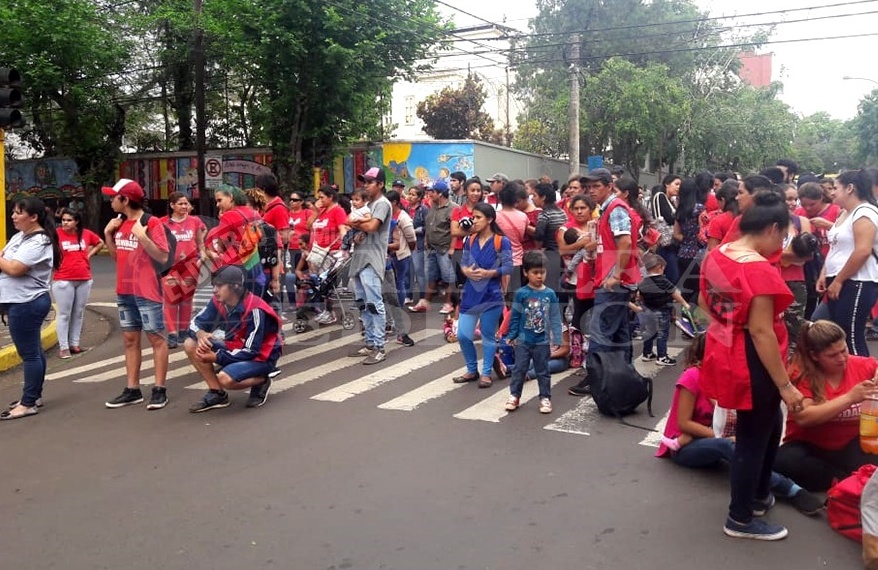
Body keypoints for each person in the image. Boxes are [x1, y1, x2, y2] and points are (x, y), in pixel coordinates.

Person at [699, 190, 805, 540]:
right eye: (784, 233)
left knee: (767, 424)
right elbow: (762, 332)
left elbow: (704, 301)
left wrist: (730, 322)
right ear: (773, 228)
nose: (784, 241)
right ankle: (740, 518)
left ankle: (758, 495)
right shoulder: (758, 269)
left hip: (727, 345)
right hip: (751, 356)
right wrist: (785, 385)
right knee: (752, 435)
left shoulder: (717, 255)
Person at [656, 334, 825, 517]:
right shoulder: (692, 376)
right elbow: (684, 424)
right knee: (730, 445)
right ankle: (791, 490)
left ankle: (762, 487)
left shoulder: (726, 379)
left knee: (755, 438)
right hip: (684, 446)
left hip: (714, 440)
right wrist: (723, 437)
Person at [774, 320, 878, 491]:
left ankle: (846, 480)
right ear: (814, 355)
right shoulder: (800, 374)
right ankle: (851, 480)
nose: (842, 358)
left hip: (850, 444)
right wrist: (850, 398)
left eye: (843, 350)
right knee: (785, 462)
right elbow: (804, 417)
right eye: (832, 355)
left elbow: (875, 366)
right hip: (810, 446)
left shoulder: (860, 365)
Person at [102, 179, 172, 410]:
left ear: (126, 199)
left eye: (114, 197)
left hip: (147, 291)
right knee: (130, 340)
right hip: (125, 291)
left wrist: (142, 236)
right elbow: (117, 257)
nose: (111, 200)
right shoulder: (119, 223)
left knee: (156, 339)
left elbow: (163, 256)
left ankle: (159, 389)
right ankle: (132, 389)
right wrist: (108, 235)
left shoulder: (150, 223)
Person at [569, 168, 639, 397]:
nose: (591, 191)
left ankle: (596, 378)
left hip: (614, 282)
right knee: (619, 332)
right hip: (612, 280)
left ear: (609, 186)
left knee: (600, 331)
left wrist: (617, 274)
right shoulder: (606, 209)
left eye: (596, 186)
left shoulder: (616, 209)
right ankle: (625, 375)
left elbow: (626, 243)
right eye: (588, 187)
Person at [185, 265, 282, 412]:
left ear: (235, 287)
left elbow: (251, 351)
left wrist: (216, 357)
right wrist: (201, 334)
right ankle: (216, 393)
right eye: (214, 285)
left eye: (219, 285)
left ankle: (262, 380)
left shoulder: (255, 309)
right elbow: (194, 323)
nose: (214, 290)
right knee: (190, 343)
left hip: (261, 357)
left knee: (225, 378)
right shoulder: (218, 301)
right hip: (236, 347)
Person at [0, 198, 61, 420]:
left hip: (27, 303)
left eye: (18, 213)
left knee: (30, 354)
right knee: (33, 351)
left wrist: (4, 262)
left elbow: (15, 268)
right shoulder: (20, 236)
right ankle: (33, 396)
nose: (13, 217)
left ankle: (27, 403)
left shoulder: (39, 241)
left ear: (33, 217)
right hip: (19, 301)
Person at [813, 169, 878, 356]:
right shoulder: (845, 213)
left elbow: (863, 251)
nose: (831, 192)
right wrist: (825, 273)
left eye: (835, 188)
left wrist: (839, 280)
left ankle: (866, 381)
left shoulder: (865, 212)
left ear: (850, 188)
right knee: (826, 327)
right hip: (839, 280)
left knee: (851, 337)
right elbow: (836, 248)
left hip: (857, 281)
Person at [453, 203, 513, 388]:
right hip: (471, 293)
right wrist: (466, 272)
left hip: (491, 294)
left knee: (488, 335)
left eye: (478, 217)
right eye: (473, 217)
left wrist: (489, 273)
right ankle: (472, 369)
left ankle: (486, 373)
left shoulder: (501, 241)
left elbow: (509, 266)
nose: (474, 221)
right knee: (463, 335)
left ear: (489, 219)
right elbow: (463, 263)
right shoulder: (469, 240)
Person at [504, 250, 563, 414]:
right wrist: (511, 335)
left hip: (542, 341)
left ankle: (545, 398)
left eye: (542, 272)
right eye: (535, 272)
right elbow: (515, 316)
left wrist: (557, 337)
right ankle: (514, 395)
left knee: (543, 371)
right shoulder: (521, 293)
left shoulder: (549, 294)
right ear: (525, 272)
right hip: (523, 341)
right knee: (519, 369)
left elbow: (555, 316)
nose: (539, 276)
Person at [347, 167, 393, 365]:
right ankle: (370, 342)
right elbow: (359, 227)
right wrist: (358, 225)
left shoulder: (382, 204)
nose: (365, 185)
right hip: (360, 257)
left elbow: (372, 227)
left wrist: (355, 223)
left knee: (374, 303)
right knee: (362, 303)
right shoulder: (368, 205)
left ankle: (380, 347)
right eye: (364, 181)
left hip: (372, 259)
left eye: (369, 182)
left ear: (380, 184)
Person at [53, 207, 104, 358]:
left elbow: (100, 242)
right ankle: (63, 347)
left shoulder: (86, 234)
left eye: (69, 220)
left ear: (76, 222)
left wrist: (89, 254)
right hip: (63, 279)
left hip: (84, 278)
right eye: (63, 220)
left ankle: (74, 344)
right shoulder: (56, 234)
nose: (65, 223)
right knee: (64, 314)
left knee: (79, 312)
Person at [161, 192, 206, 349]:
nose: (184, 206)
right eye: (180, 203)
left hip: (190, 265)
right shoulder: (162, 223)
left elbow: (200, 242)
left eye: (186, 203)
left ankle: (183, 330)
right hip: (169, 267)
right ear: (172, 205)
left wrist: (202, 258)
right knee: (171, 299)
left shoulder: (194, 221)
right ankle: (172, 333)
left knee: (186, 299)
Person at [205, 184, 266, 298]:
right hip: (255, 264)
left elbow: (221, 246)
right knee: (253, 303)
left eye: (220, 200)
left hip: (233, 269)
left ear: (231, 197)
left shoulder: (228, 216)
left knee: (233, 308)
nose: (218, 205)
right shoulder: (254, 213)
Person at [411, 180, 455, 314]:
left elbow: (454, 231)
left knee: (448, 277)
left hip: (444, 248)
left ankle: (449, 303)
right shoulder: (432, 206)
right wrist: (425, 239)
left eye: (432, 192)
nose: (429, 194)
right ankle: (425, 301)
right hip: (430, 248)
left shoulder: (452, 208)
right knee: (431, 276)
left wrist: (452, 248)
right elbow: (429, 225)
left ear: (440, 194)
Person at [638, 253, 690, 366]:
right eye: (663, 268)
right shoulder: (663, 280)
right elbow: (674, 293)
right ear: (659, 267)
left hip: (648, 310)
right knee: (662, 334)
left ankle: (647, 353)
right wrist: (684, 303)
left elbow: (640, 296)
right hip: (662, 310)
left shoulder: (643, 282)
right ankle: (662, 356)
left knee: (649, 332)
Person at [651, 175, 681, 284]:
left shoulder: (671, 201)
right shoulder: (660, 196)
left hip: (670, 243)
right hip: (665, 241)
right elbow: (668, 218)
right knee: (671, 274)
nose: (678, 187)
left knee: (671, 273)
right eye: (676, 184)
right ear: (667, 184)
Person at [407, 185, 429, 307]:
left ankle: (422, 297)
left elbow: (428, 226)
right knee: (407, 271)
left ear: (419, 197)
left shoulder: (423, 210)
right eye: (409, 194)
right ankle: (408, 295)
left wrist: (417, 230)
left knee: (419, 271)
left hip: (418, 243)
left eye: (413, 194)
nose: (410, 197)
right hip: (406, 244)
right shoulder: (405, 209)